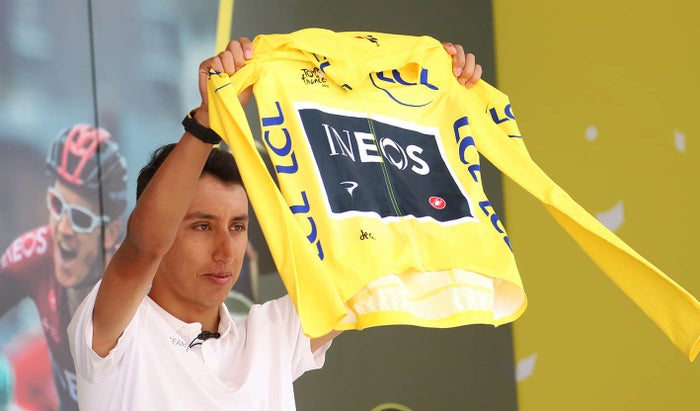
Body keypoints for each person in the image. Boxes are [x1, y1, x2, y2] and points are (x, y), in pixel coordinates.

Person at [68, 37, 482, 410]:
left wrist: (431, 98)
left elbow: (383, 239)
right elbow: (145, 245)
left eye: (237, 226)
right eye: (202, 226)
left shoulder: (272, 334)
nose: (225, 250)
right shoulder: (117, 332)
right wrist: (207, 122)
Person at [0, 125, 128, 411]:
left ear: (109, 234)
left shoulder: (138, 286)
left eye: (81, 219)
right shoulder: (35, 253)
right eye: (57, 206)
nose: (64, 229)